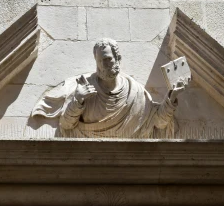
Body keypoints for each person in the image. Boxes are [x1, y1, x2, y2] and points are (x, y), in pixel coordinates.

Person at [31, 38, 188, 138]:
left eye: (107, 60)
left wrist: (172, 97)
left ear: (118, 59)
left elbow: (158, 122)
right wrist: (77, 100)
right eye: (100, 61)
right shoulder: (86, 90)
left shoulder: (136, 93)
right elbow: (66, 125)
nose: (103, 65)